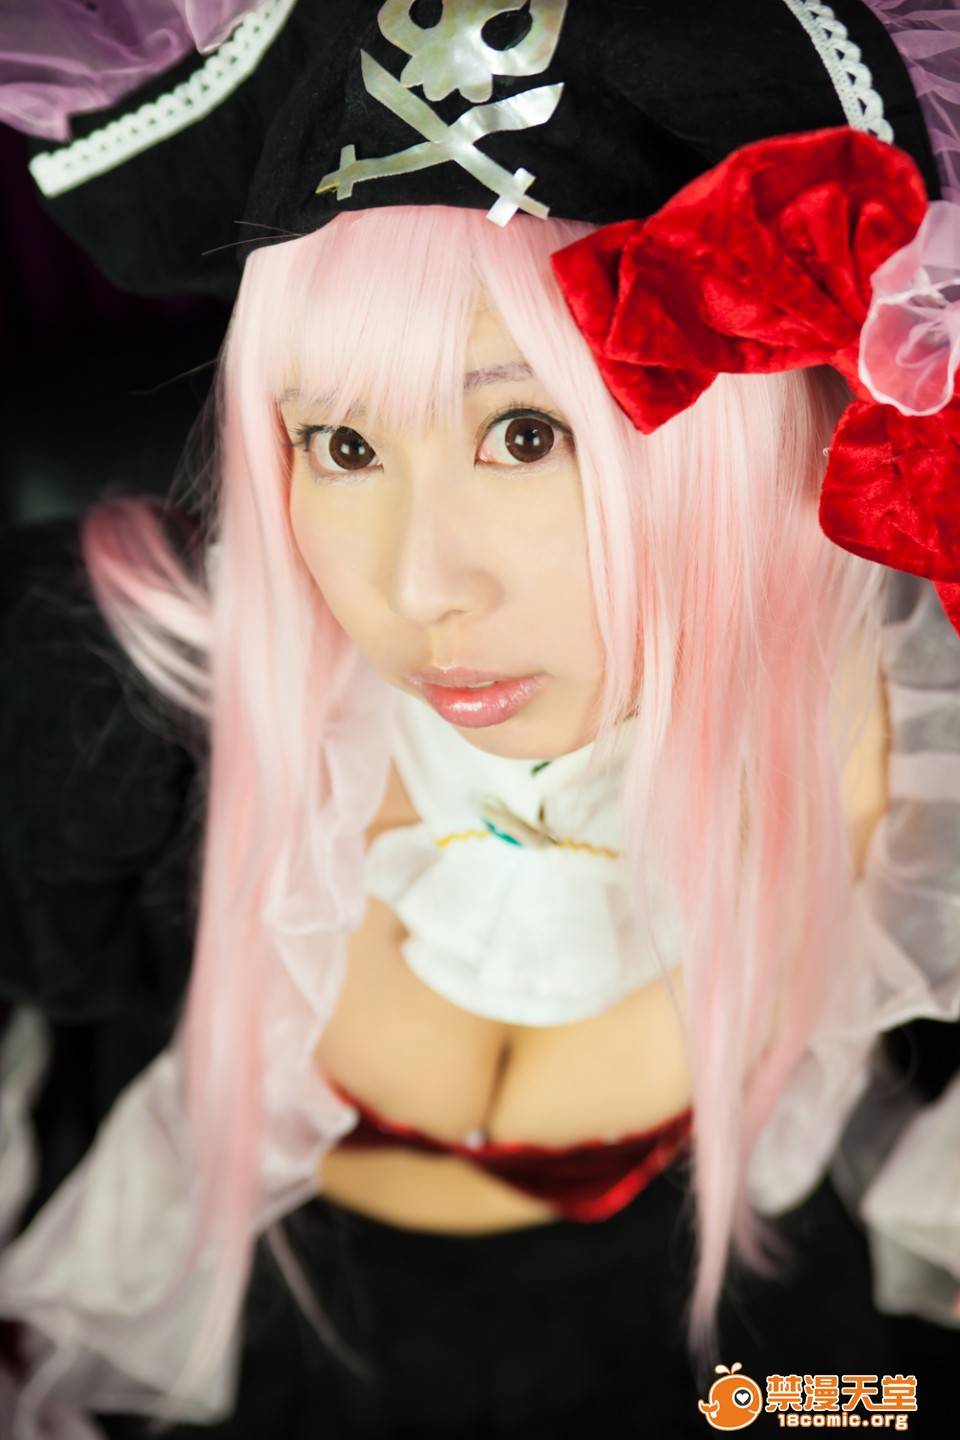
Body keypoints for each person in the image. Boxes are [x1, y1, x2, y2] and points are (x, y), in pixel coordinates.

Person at [1, 2, 959, 1437]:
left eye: (524, 434)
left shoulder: (923, 727)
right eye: (341, 444)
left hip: (739, 1352)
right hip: (260, 1339)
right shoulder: (103, 689)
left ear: (734, 427)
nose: (417, 587)